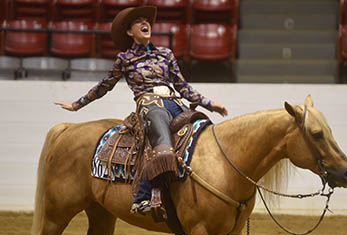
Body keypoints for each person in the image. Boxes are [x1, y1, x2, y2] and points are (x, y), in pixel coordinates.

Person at [55, 6, 228, 214]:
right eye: (139, 22)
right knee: (161, 140)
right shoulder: (124, 59)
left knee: (201, 129)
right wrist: (77, 105)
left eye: (147, 20)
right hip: (149, 105)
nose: (145, 23)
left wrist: (210, 104)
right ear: (130, 32)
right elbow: (104, 86)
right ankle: (144, 195)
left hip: (175, 102)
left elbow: (183, 87)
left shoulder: (166, 54)